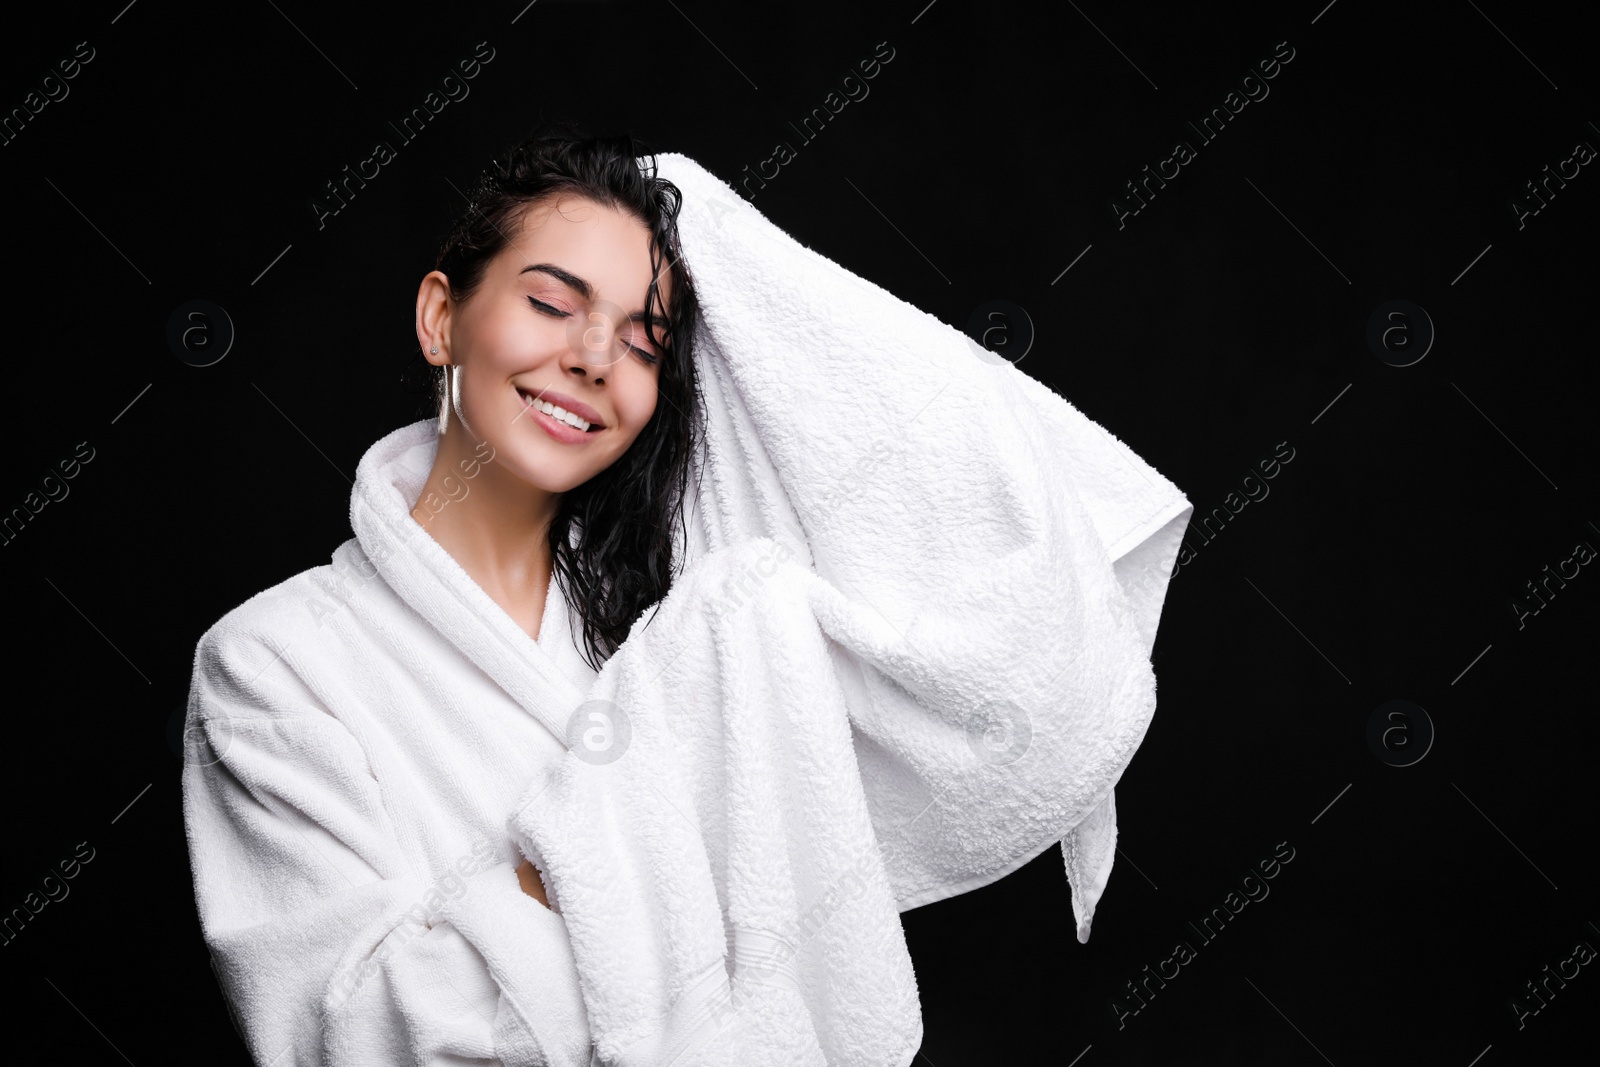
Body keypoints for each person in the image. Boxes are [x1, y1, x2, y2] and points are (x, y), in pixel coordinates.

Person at [180, 120, 703, 1066]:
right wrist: (609, 856)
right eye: (551, 303)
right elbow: (348, 1029)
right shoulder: (272, 665)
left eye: (643, 341)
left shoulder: (673, 638)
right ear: (439, 318)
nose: (594, 357)